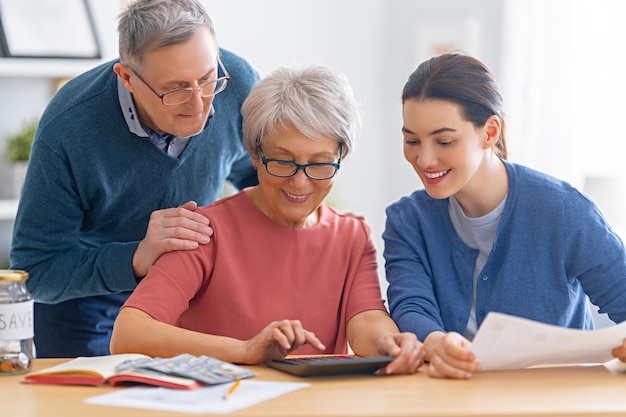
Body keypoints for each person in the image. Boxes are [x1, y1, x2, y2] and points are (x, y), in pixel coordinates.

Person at [110, 65, 425, 374]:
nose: (300, 183)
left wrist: (389, 343)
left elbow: (365, 318)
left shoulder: (351, 235)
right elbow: (129, 333)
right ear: (255, 154)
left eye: (320, 164)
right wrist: (244, 351)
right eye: (283, 162)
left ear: (342, 156)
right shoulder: (206, 231)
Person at [9, 0, 260, 358]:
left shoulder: (237, 83)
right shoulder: (69, 126)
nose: (199, 104)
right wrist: (138, 257)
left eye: (206, 79)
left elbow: (257, 174)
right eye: (174, 89)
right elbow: (36, 270)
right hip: (85, 310)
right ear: (127, 78)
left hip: (188, 297)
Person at [383, 52, 626, 379]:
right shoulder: (407, 221)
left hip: (557, 399)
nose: (424, 159)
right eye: (412, 140)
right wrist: (436, 343)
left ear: (490, 131)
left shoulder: (563, 211)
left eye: (444, 140)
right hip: (450, 397)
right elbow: (410, 306)